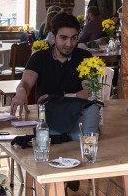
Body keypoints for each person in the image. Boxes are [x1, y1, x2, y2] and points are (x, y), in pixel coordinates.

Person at [10, 12, 100, 140]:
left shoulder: (85, 57)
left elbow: (90, 90)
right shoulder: (39, 58)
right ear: (53, 38)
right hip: (49, 119)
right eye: (64, 38)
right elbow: (25, 83)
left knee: (87, 144)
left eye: (74, 38)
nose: (69, 44)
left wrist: (56, 97)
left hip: (78, 117)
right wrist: (21, 91)